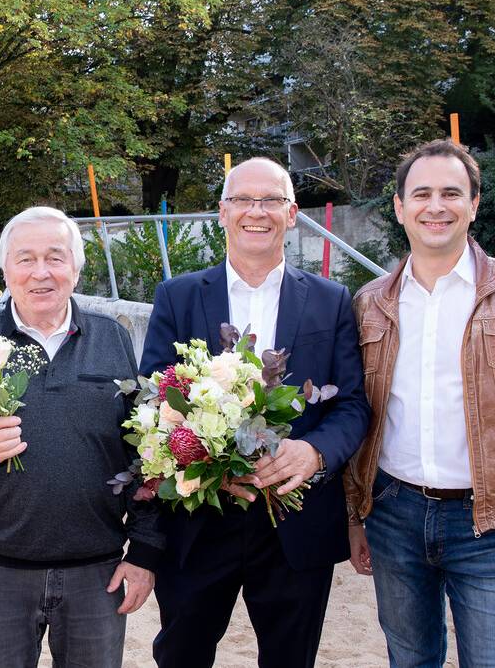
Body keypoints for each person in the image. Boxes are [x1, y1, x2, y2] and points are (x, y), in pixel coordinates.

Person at [344, 139, 495, 667]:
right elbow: (357, 416)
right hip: (393, 515)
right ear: (399, 207)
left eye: (452, 193)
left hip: (490, 525)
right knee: (409, 660)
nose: (436, 206)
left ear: (474, 204)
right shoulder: (370, 304)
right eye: (422, 193)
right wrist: (355, 514)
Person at [139, 158, 371, 667]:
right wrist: (199, 460)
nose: (256, 212)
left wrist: (314, 452)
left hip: (295, 521)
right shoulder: (177, 297)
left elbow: (352, 404)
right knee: (181, 655)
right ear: (222, 212)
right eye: (244, 200)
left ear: (292, 214)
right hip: (200, 519)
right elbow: (153, 400)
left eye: (270, 201)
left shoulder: (331, 302)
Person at [0, 206, 162, 668]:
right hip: (0, 572)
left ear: (76, 267)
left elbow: (147, 457)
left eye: (55, 257)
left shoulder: (113, 338)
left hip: (98, 573)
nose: (41, 272)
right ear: (5, 269)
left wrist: (145, 551)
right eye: (25, 259)